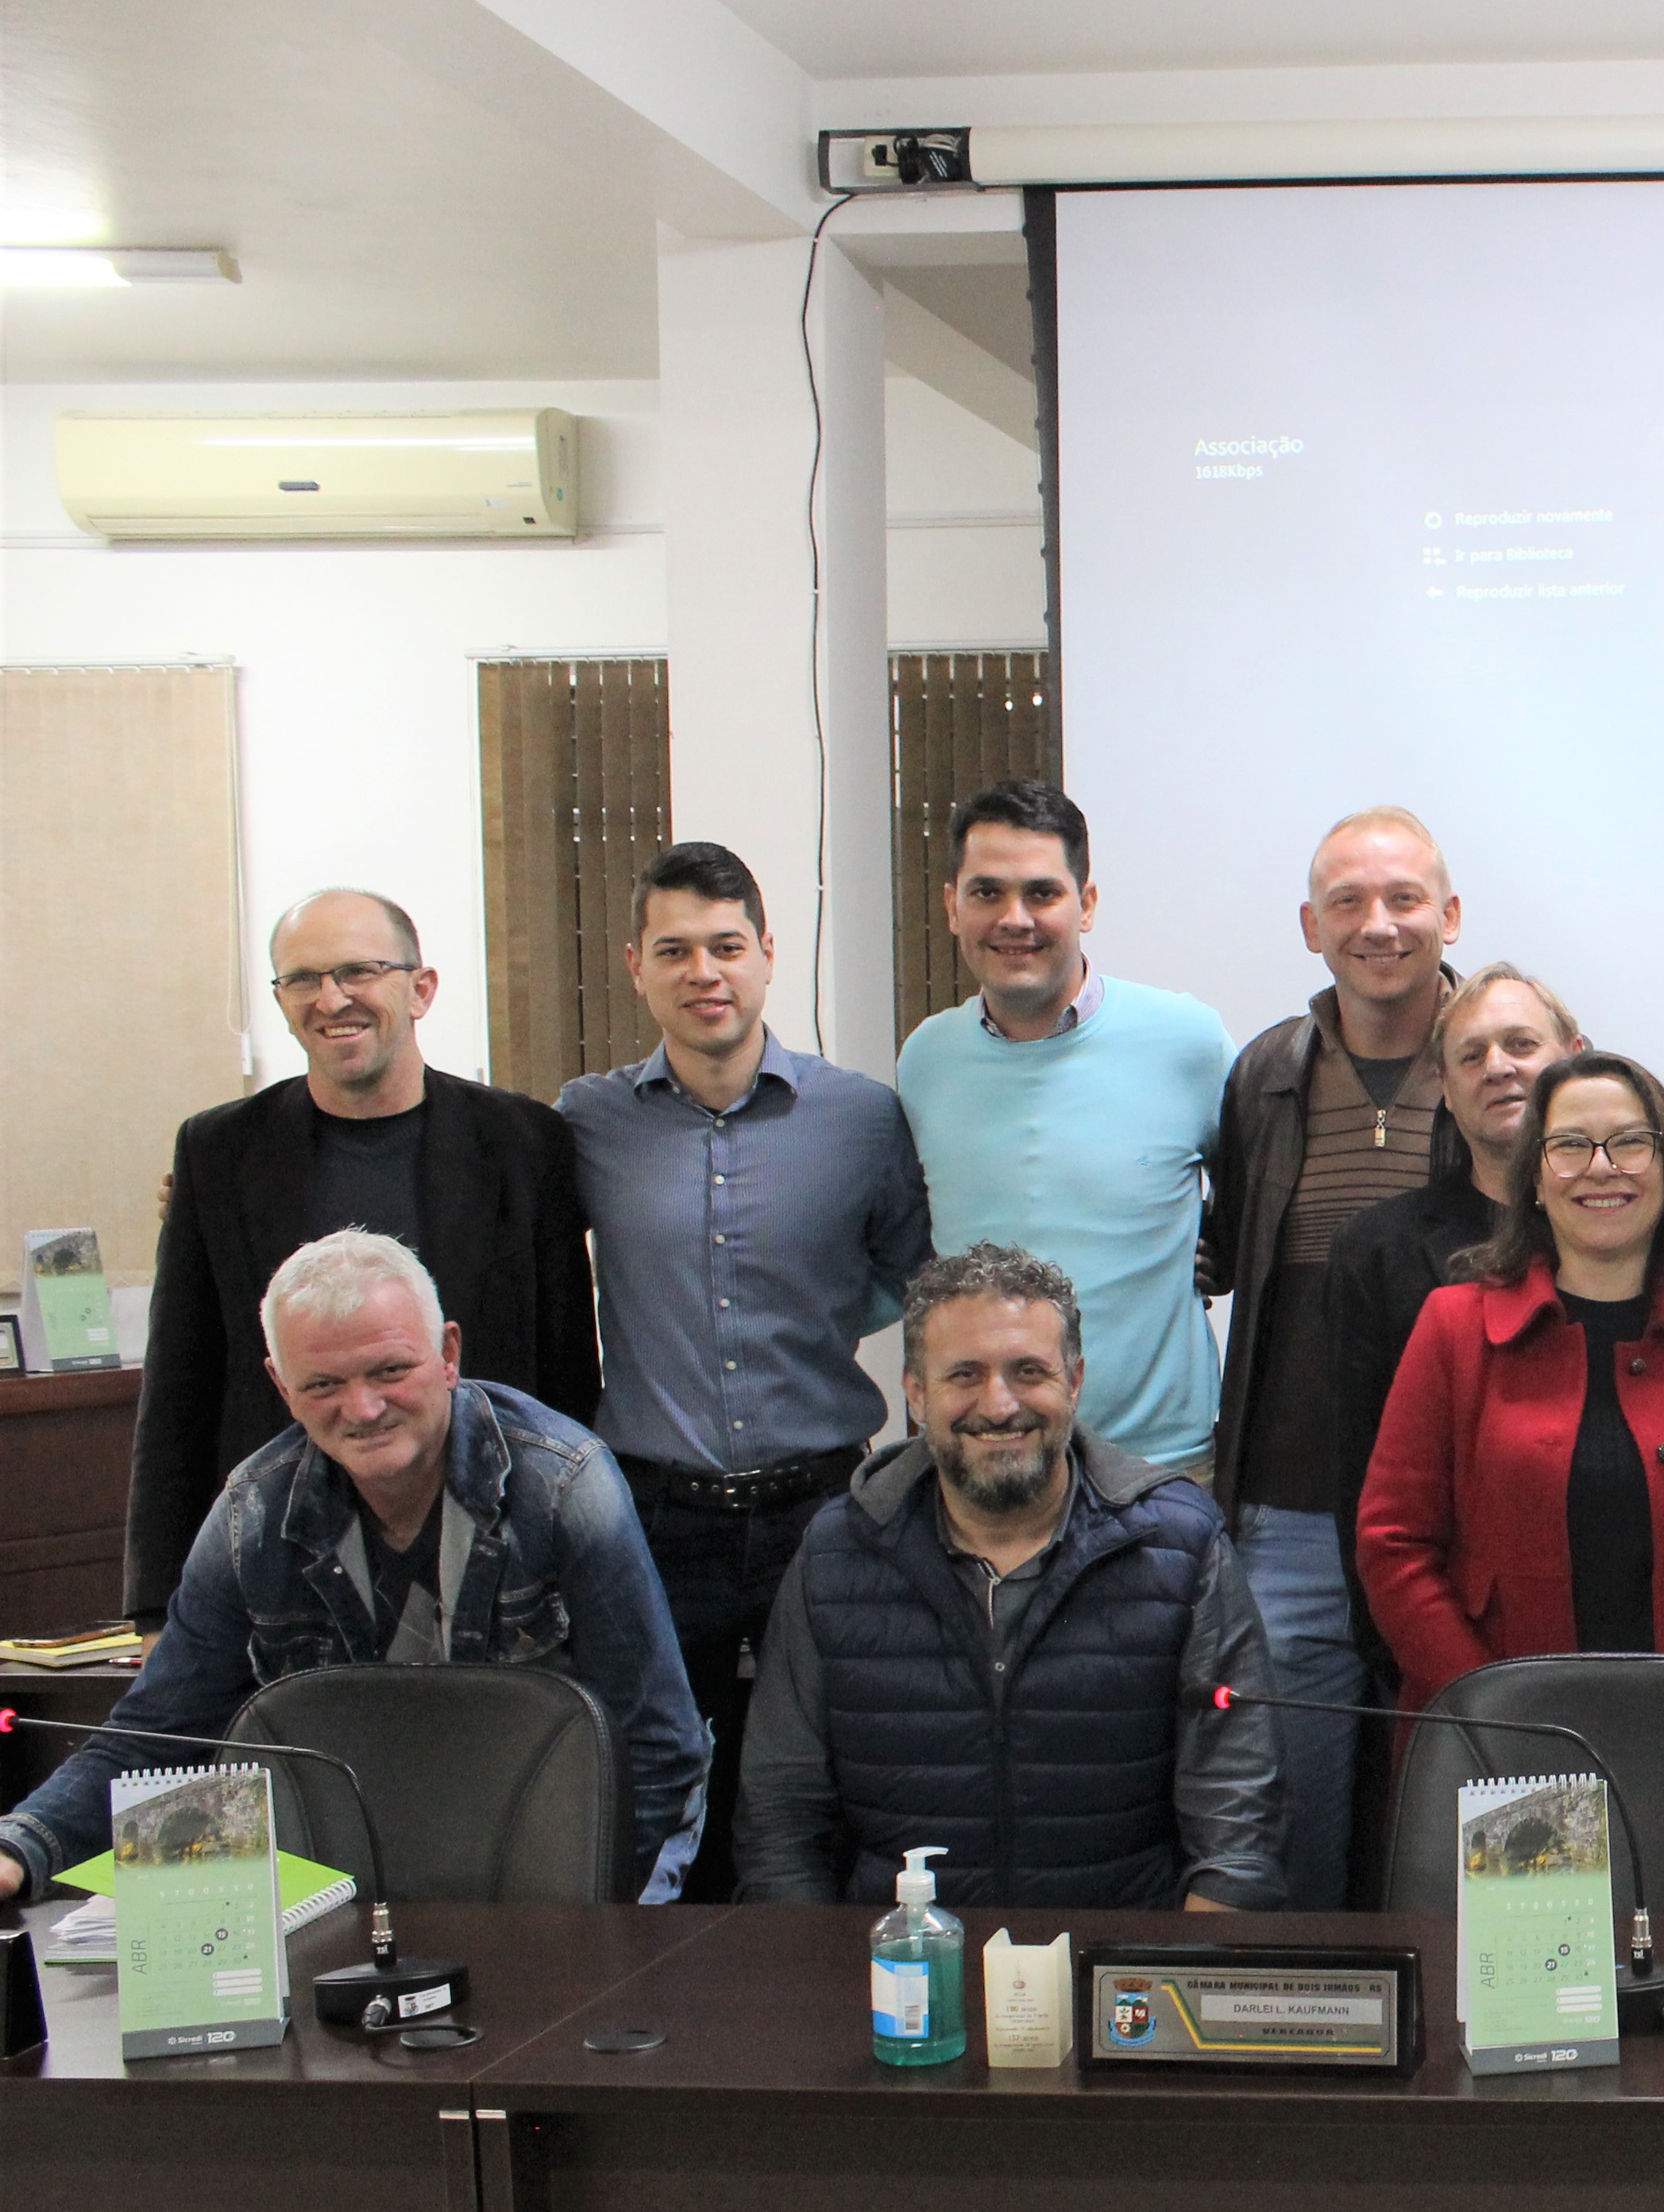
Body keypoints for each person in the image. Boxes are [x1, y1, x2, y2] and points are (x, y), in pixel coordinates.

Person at [4, 1230, 705, 1905]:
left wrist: (585, 1922)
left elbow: (659, 1748)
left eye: (390, 1371)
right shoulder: (253, 1516)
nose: (363, 1409)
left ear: (448, 1353)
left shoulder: (563, 1487)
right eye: (323, 1385)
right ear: (281, 1386)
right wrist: (17, 1850)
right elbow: (155, 1739)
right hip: (352, 1886)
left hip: (556, 1876)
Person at [561, 841, 932, 1903]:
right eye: (674, 950)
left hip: (821, 1502)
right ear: (635, 965)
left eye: (727, 946)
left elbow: (911, 1284)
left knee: (820, 1769)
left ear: (769, 954)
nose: (704, 972)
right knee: (662, 1771)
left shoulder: (861, 1119)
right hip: (650, 1513)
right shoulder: (586, 1124)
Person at [736, 1243, 1281, 1911]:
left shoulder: (1181, 1546)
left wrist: (1175, 1993)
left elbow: (1238, 1825)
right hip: (901, 1983)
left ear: (1074, 1381)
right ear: (915, 1392)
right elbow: (779, 1822)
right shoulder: (836, 1554)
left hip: (1121, 1983)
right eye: (964, 1375)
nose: (998, 1406)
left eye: (1028, 1372)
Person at [129, 886, 596, 1619]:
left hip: (498, 1553)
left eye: (359, 972)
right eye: (303, 980)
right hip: (287, 1563)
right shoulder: (218, 1152)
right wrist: (159, 1604)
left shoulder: (525, 1144)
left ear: (421, 989)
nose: (331, 998)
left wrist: (581, 1566)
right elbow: (179, 1389)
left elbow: (567, 1371)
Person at [1356, 1052, 1664, 1711]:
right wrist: (1489, 1705)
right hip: (1503, 1739)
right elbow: (1394, 1546)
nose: (1602, 1167)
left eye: (1631, 1143)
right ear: (1537, 1182)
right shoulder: (1454, 1328)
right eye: (1570, 1146)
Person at [1198, 806, 1465, 1907]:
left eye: (1404, 898)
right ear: (1311, 926)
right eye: (1349, 902)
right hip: (1293, 1511)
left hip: (1463, 1515)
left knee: (1469, 1784)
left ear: (1450, 915)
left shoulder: (1507, 1060)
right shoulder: (1267, 1074)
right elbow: (1225, 1251)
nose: (1379, 923)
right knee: (1292, 1805)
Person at [1326, 964, 1664, 1527]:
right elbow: (1371, 1496)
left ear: (1575, 1054)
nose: (1498, 1067)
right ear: (1444, 1089)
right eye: (1471, 1056)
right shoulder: (1377, 1252)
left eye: (1521, 1044)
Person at [892, 781, 1230, 1477]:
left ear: (1088, 903)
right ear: (953, 906)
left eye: (1042, 893)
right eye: (987, 893)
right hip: (984, 1468)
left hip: (1161, 1470)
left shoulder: (1186, 1041)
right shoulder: (926, 1059)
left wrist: (1218, 1247)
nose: (1015, 918)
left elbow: (1269, 1188)